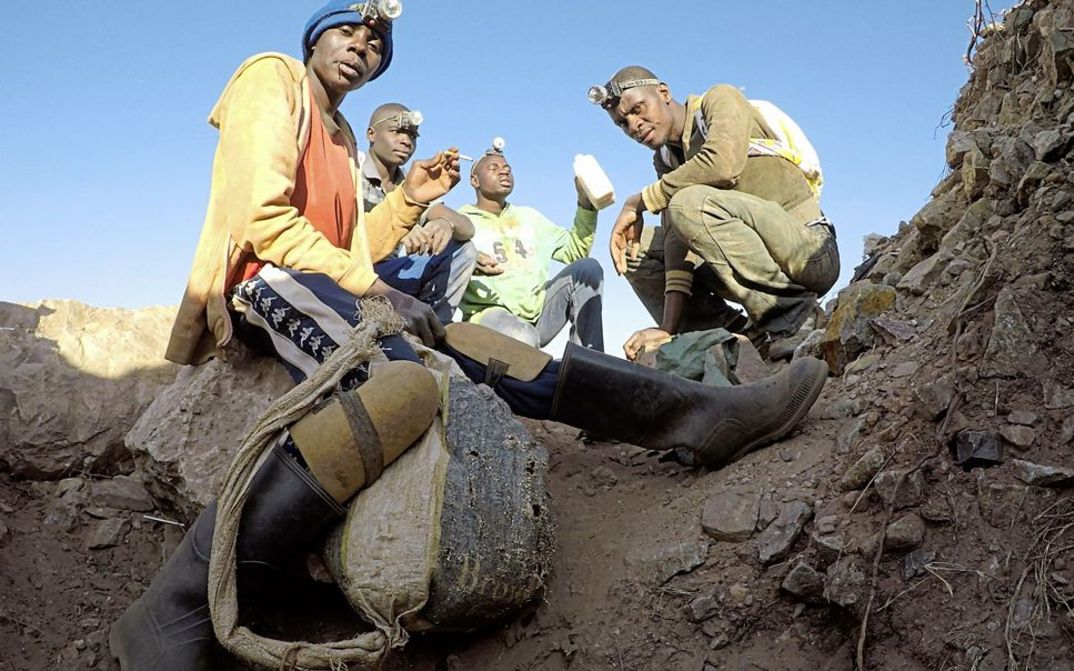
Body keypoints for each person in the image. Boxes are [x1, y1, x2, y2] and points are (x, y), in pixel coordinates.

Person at [111, 6, 829, 668]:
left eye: (376, 46)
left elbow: (347, 246)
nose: (362, 51)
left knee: (478, 348)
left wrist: (404, 202)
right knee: (401, 382)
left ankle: (692, 415)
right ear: (314, 37)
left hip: (321, 277)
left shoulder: (337, 132)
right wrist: (373, 287)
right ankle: (178, 606)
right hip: (265, 282)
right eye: (349, 35)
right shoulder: (272, 79)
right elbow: (265, 223)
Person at [590, 66, 840, 361]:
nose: (633, 125)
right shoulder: (666, 159)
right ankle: (733, 333)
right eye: (622, 123)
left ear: (664, 93)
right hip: (750, 262)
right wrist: (669, 326)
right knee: (636, 250)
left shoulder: (720, 99)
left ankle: (794, 317)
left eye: (637, 109)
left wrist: (639, 201)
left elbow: (723, 165)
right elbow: (676, 240)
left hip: (808, 251)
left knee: (685, 203)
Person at [459, 148, 605, 352]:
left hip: (539, 317)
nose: (504, 172)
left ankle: (588, 361)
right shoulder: (462, 221)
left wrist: (586, 205)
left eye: (507, 168)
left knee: (588, 269)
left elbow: (575, 252)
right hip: (490, 318)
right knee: (522, 336)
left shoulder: (530, 217)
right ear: (475, 180)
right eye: (494, 168)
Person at [361, 102, 478, 323]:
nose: (406, 141)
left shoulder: (410, 182)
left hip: (387, 275)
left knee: (463, 250)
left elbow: (468, 227)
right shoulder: (351, 168)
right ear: (371, 134)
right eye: (396, 132)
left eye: (413, 136)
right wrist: (398, 226)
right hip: (348, 268)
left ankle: (432, 330)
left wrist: (446, 224)